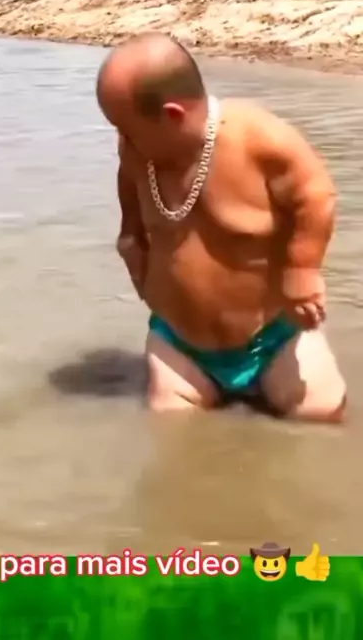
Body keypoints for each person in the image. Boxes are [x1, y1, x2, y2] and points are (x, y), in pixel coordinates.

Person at [96, 33, 347, 421]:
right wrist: (131, 243)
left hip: (273, 336)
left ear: (172, 116)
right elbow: (130, 199)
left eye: (126, 129)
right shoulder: (137, 155)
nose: (120, 140)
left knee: (322, 413)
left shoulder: (258, 139)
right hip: (180, 343)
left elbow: (316, 195)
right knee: (171, 426)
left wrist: (303, 268)